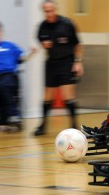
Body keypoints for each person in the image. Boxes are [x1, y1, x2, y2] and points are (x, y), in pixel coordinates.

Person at [33, 0, 84, 136]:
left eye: (51, 10)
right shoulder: (42, 27)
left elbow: (78, 45)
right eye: (46, 11)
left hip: (67, 62)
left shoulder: (67, 24)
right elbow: (40, 40)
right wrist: (44, 45)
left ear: (55, 9)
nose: (49, 13)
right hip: (51, 63)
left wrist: (78, 62)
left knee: (68, 96)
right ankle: (42, 125)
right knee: (47, 97)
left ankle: (74, 125)